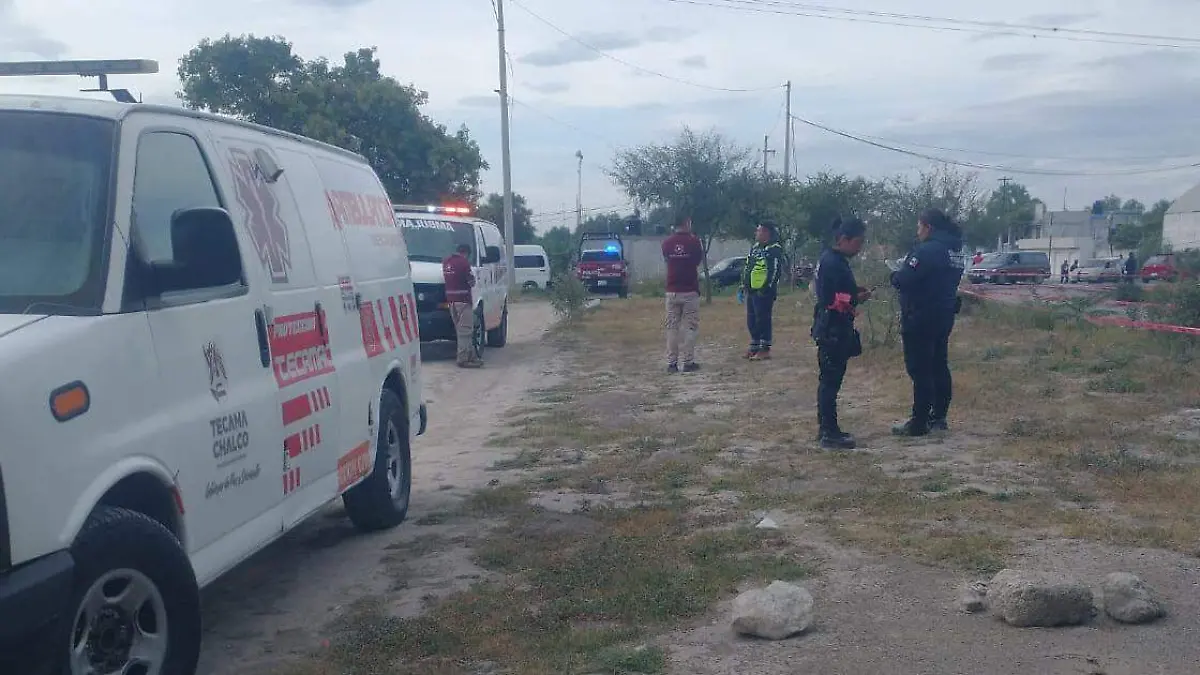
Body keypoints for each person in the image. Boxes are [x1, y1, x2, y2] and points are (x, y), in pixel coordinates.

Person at [891, 208, 965, 436]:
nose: (918, 231)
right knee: (939, 365)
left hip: (920, 316)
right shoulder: (955, 250)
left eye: (919, 226)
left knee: (920, 369)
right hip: (944, 315)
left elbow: (905, 279)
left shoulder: (928, 250)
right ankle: (939, 416)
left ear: (928, 227)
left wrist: (894, 275)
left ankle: (919, 421)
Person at [811, 216, 870, 449]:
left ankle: (827, 428)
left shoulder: (832, 260)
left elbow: (838, 290)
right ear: (844, 239)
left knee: (829, 381)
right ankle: (829, 432)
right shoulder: (833, 262)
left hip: (831, 326)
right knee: (830, 382)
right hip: (833, 328)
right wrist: (857, 298)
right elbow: (834, 299)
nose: (860, 248)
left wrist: (854, 292)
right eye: (858, 242)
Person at [662, 216, 705, 373]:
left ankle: (672, 363)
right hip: (689, 290)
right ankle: (688, 362)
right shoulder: (694, 242)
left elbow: (667, 259)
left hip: (672, 291)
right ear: (686, 223)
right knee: (690, 327)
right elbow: (696, 261)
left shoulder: (666, 243)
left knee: (672, 328)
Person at [741, 221, 784, 360]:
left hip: (764, 291)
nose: (756, 233)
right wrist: (744, 285)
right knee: (751, 319)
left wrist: (767, 288)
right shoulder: (755, 248)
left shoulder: (774, 249)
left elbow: (775, 271)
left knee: (763, 319)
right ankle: (754, 345)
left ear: (766, 233)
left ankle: (764, 349)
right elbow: (748, 266)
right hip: (752, 290)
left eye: (759, 231)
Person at [443, 243, 481, 368]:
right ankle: (463, 359)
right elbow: (471, 281)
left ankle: (471, 356)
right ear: (466, 253)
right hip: (463, 301)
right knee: (466, 331)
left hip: (451, 301)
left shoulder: (446, 262)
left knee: (460, 331)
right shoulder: (464, 263)